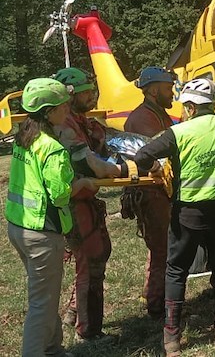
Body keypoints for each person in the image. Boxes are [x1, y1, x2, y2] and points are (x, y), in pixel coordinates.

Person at [133, 78, 215, 355]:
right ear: (213, 104)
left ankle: (172, 338)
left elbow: (142, 155)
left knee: (177, 270)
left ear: (189, 106)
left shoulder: (179, 132)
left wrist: (155, 166)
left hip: (188, 211)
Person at [5, 78, 97, 357]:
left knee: (46, 294)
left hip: (19, 227)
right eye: (63, 105)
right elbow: (60, 195)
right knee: (41, 304)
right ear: (48, 112)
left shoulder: (25, 136)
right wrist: (82, 184)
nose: (68, 109)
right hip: (43, 232)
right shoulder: (53, 148)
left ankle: (53, 349)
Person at [53, 67, 120, 342]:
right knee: (91, 261)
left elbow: (102, 139)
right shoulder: (65, 125)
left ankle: (74, 311)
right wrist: (119, 168)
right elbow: (88, 162)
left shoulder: (76, 119)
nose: (91, 96)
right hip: (73, 201)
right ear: (70, 95)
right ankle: (89, 332)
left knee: (93, 256)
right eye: (86, 92)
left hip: (78, 200)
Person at [122, 66, 176, 319]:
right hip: (150, 192)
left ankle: (152, 292)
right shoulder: (143, 118)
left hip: (158, 191)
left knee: (159, 246)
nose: (172, 93)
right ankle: (157, 305)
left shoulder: (158, 114)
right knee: (161, 249)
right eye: (168, 88)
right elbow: (152, 153)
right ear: (154, 90)